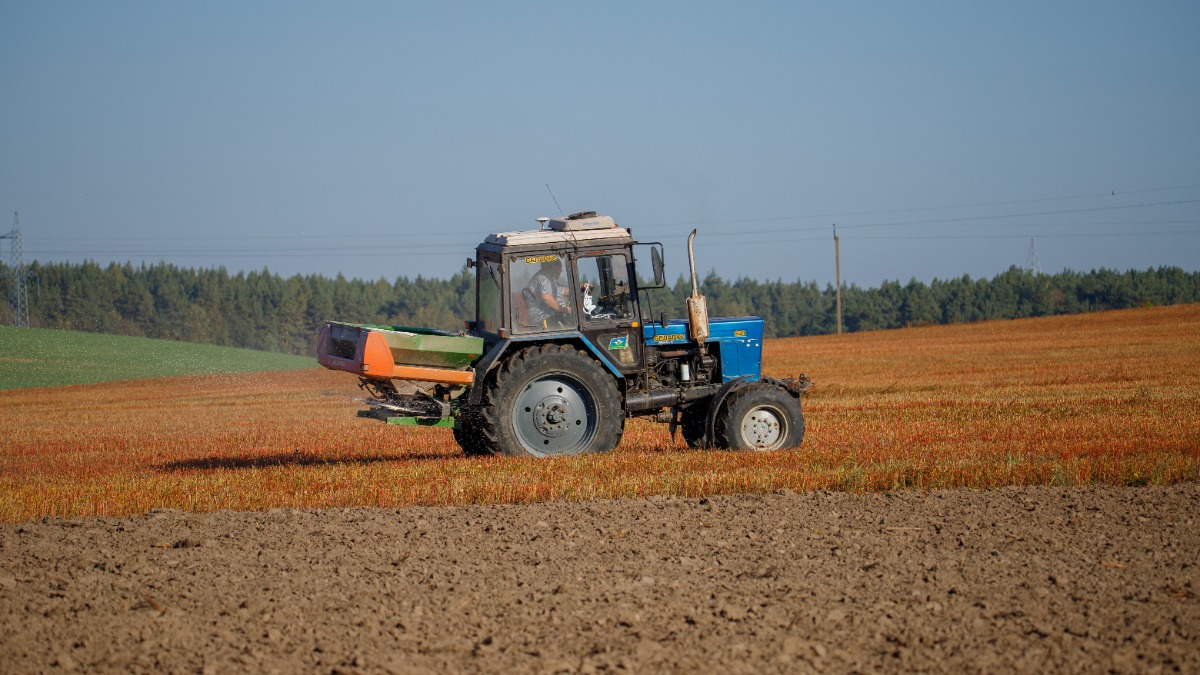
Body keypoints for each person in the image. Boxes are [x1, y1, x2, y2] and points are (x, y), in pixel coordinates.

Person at [524, 258, 571, 328]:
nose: (561, 271)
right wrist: (564, 309)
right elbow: (546, 297)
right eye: (559, 268)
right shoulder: (543, 277)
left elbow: (563, 290)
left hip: (550, 316)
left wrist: (579, 287)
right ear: (553, 267)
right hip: (543, 319)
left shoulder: (549, 279)